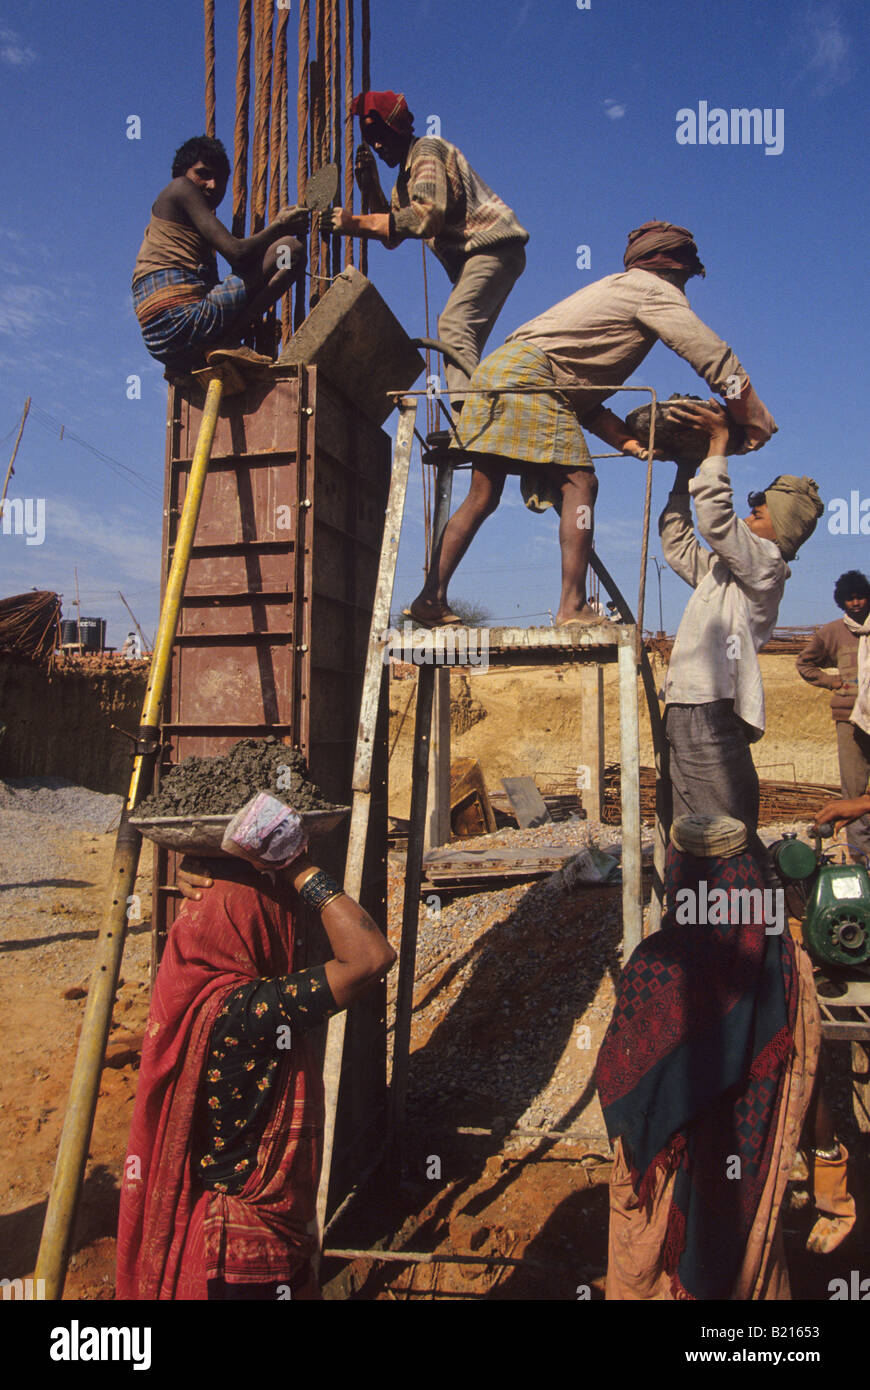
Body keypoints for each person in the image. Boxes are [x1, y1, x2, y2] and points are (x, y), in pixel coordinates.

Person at [406, 221, 777, 627]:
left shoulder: (616, 292)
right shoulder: (654, 291)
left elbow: (582, 401)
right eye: (687, 277)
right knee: (580, 483)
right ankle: (573, 607)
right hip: (530, 379)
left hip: (500, 371)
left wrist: (628, 444)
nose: (686, 287)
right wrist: (752, 416)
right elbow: (713, 356)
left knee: (482, 495)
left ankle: (430, 598)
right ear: (676, 269)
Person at [116, 839, 395, 1300]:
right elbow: (370, 956)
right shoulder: (251, 1012)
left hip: (209, 1237)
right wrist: (300, 868)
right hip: (248, 1252)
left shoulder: (189, 999)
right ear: (257, 925)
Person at [597, 813, 821, 1299]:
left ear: (678, 874)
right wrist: (827, 1167)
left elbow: (622, 1091)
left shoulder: (655, 965)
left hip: (665, 1198)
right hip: (751, 1187)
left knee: (647, 1270)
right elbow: (805, 1074)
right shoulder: (789, 965)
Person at [659, 398, 823, 862]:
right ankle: (714, 911)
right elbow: (677, 542)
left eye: (760, 513)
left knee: (720, 831)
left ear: (781, 533)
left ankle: (737, 916)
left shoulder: (766, 565)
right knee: (700, 823)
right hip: (696, 707)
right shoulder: (728, 571)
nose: (750, 515)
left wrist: (717, 443)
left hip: (708, 707)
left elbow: (714, 519)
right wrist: (683, 471)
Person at [327, 91, 528, 409]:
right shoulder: (403, 183)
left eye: (381, 137)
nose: (377, 147)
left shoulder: (425, 151)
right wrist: (371, 187)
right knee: (462, 338)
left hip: (493, 247)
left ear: (398, 128)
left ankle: (472, 419)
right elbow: (393, 234)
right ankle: (482, 412)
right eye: (371, 139)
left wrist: (352, 223)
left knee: (454, 325)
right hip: (481, 257)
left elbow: (426, 218)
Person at [132, 135, 309, 373]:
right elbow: (238, 254)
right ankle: (228, 340)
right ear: (182, 173)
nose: (212, 185)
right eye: (203, 174)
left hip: (164, 343)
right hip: (183, 321)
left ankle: (221, 341)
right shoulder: (181, 187)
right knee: (290, 250)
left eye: (220, 180)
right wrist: (280, 225)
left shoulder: (181, 228)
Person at [796, 571, 870, 866]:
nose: (856, 603)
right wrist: (833, 682)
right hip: (849, 720)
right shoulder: (832, 632)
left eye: (860, 596)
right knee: (853, 792)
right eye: (850, 598)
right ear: (841, 602)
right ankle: (862, 863)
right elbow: (805, 663)